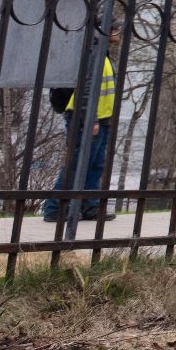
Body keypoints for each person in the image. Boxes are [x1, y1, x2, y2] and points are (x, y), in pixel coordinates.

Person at [42, 23, 120, 223]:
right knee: (76, 164)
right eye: (114, 29)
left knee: (95, 165)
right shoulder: (93, 52)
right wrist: (91, 118)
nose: (117, 32)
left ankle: (89, 206)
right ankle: (54, 208)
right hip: (86, 120)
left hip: (102, 119)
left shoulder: (103, 53)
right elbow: (86, 89)